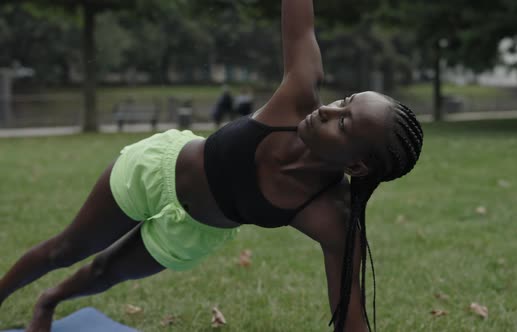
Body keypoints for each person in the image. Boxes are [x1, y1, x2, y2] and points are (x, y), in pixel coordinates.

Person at [0, 1, 423, 331]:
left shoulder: (332, 216)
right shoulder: (298, 95)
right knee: (66, 249)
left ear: (357, 165)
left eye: (344, 124)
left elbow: (351, 318)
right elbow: (302, 21)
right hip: (157, 172)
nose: (329, 111)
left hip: (194, 232)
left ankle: (48, 302)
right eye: (343, 101)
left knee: (104, 271)